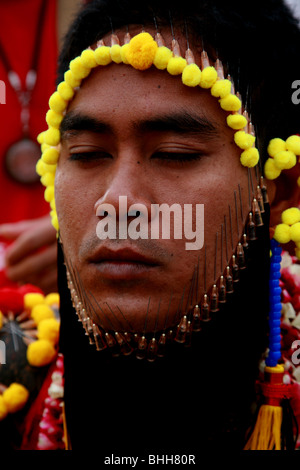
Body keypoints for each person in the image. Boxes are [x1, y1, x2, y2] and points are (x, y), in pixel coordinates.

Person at [35, 0, 300, 453]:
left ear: (283, 191)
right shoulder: (13, 370)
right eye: (86, 154)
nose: (117, 201)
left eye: (175, 154)